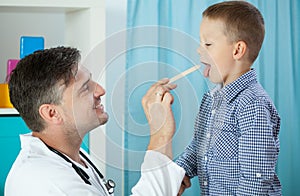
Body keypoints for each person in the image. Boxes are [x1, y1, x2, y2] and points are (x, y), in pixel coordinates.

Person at [5, 46, 185, 196]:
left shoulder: (72, 156)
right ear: (52, 113)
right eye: (85, 88)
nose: (100, 90)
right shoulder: (49, 181)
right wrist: (160, 133)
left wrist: (165, 182)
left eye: (92, 81)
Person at [176, 1, 281, 195]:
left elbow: (255, 181)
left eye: (207, 44)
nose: (199, 50)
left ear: (237, 50)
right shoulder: (211, 100)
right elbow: (199, 147)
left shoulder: (253, 105)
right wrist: (179, 172)